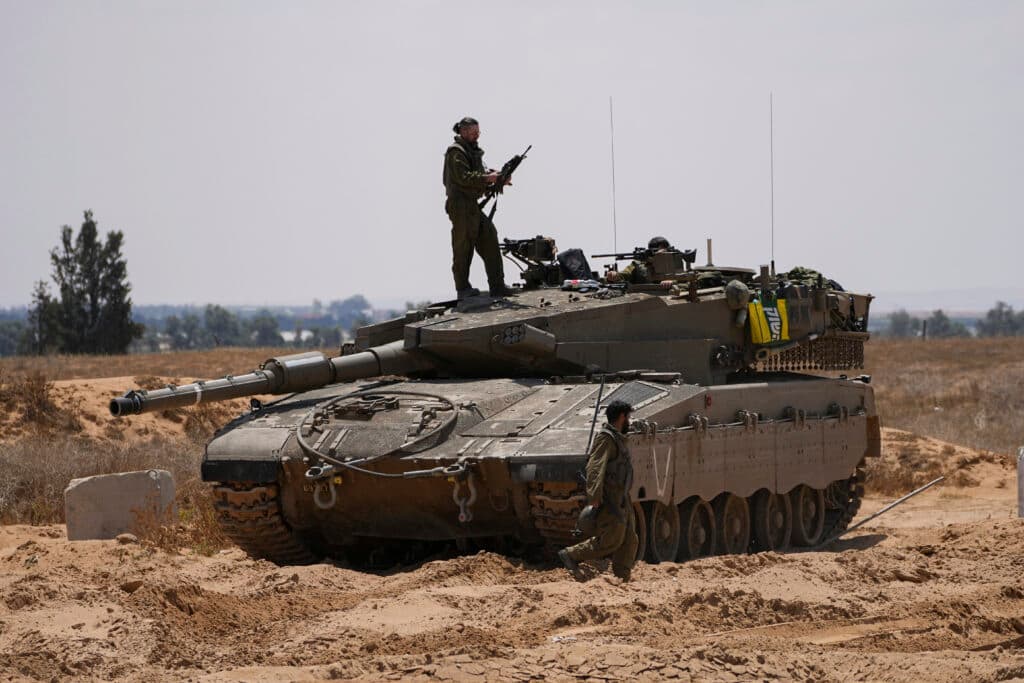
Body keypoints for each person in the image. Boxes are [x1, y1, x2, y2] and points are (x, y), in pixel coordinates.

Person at [558, 399, 638, 582]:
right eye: (628, 417)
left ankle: (623, 577)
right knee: (611, 540)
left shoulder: (617, 438)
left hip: (622, 497)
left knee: (629, 540)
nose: (630, 422)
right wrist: (594, 495)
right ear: (621, 416)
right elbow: (595, 466)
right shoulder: (606, 438)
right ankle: (570, 555)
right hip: (610, 498)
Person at [442, 116, 514, 300]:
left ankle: (497, 286)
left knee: (489, 238)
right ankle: (463, 289)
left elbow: (480, 174)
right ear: (464, 132)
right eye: (474, 133)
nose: (477, 136)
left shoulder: (472, 151)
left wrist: (497, 179)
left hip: (472, 206)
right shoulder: (455, 152)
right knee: (463, 247)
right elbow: (464, 178)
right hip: (461, 207)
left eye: (478, 133)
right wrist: (488, 179)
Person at [606, 236, 674, 284]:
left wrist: (673, 282)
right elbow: (625, 275)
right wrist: (615, 275)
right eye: (655, 251)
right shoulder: (638, 265)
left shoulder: (674, 263)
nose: (659, 254)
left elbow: (683, 280)